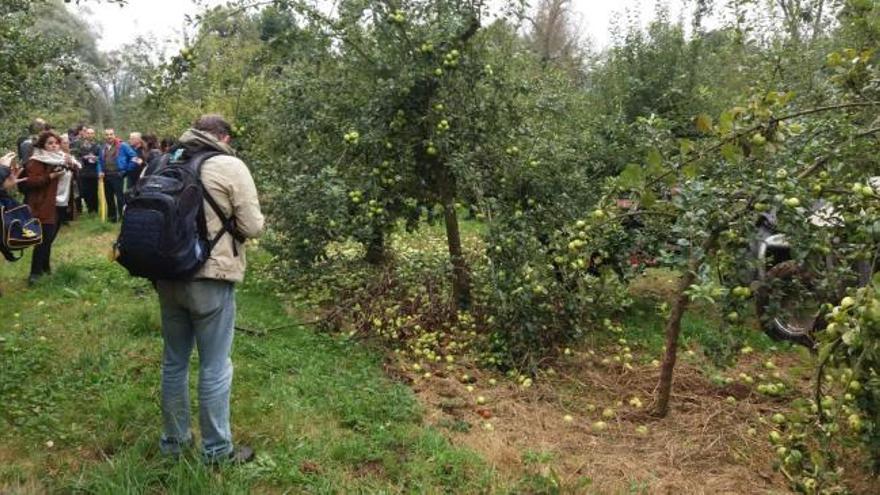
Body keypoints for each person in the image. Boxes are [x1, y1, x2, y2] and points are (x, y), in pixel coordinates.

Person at [155, 114, 264, 464]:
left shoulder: (162, 161)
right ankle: (217, 451)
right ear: (224, 137)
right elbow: (252, 225)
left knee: (174, 362)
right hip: (210, 277)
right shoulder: (229, 165)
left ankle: (174, 443)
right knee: (215, 366)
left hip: (167, 274)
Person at [23, 130, 72, 284]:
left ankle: (46, 268)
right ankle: (34, 274)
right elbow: (30, 182)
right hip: (44, 204)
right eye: (49, 143)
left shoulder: (63, 159)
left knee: (50, 239)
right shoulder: (36, 160)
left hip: (61, 203)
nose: (53, 146)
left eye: (56, 143)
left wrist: (71, 165)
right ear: (43, 145)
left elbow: (71, 176)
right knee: (43, 240)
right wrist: (50, 176)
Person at [97, 129, 126, 222]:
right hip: (106, 175)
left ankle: (122, 217)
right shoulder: (102, 147)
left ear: (114, 135)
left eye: (111, 134)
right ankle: (112, 218)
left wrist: (125, 170)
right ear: (104, 136)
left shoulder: (122, 146)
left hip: (117, 174)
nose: (109, 136)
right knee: (108, 197)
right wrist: (100, 171)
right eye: (107, 135)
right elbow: (99, 161)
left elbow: (133, 157)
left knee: (120, 197)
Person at [56, 135, 81, 226]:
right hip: (59, 180)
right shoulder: (57, 154)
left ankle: (65, 218)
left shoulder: (69, 154)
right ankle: (58, 219)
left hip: (68, 181)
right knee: (58, 199)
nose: (67, 145)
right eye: (65, 143)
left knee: (67, 199)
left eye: (68, 143)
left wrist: (71, 163)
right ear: (60, 144)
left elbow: (78, 165)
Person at [77, 128, 101, 214]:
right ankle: (89, 208)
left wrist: (95, 158)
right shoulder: (80, 145)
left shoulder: (97, 146)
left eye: (92, 133)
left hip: (94, 172)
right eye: (88, 133)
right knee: (85, 192)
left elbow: (101, 158)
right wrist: (84, 158)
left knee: (94, 191)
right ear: (85, 134)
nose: (90, 135)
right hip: (84, 172)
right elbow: (78, 157)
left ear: (94, 135)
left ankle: (95, 209)